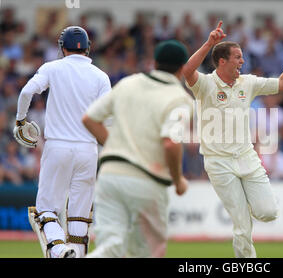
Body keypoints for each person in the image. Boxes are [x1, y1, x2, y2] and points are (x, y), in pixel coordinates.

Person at [182, 21, 283, 258]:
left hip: (246, 157)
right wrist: (209, 43)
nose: (242, 61)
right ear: (222, 61)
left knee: (269, 212)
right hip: (218, 162)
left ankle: (244, 202)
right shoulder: (205, 84)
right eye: (238, 57)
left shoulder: (247, 83)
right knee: (242, 226)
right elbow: (187, 72)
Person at [82, 40, 192, 258]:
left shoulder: (128, 83)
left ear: (155, 62)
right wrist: (178, 180)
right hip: (147, 181)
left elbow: (89, 119)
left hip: (109, 176)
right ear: (182, 68)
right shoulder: (180, 99)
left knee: (111, 248)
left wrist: (115, 146)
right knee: (148, 253)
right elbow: (171, 142)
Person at [14, 26, 111, 258]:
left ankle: (59, 249)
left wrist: (20, 120)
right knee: (79, 215)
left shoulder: (52, 68)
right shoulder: (101, 76)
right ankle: (75, 253)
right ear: (88, 48)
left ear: (62, 47)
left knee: (46, 209)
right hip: (88, 149)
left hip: (57, 146)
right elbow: (109, 118)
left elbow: (26, 92)